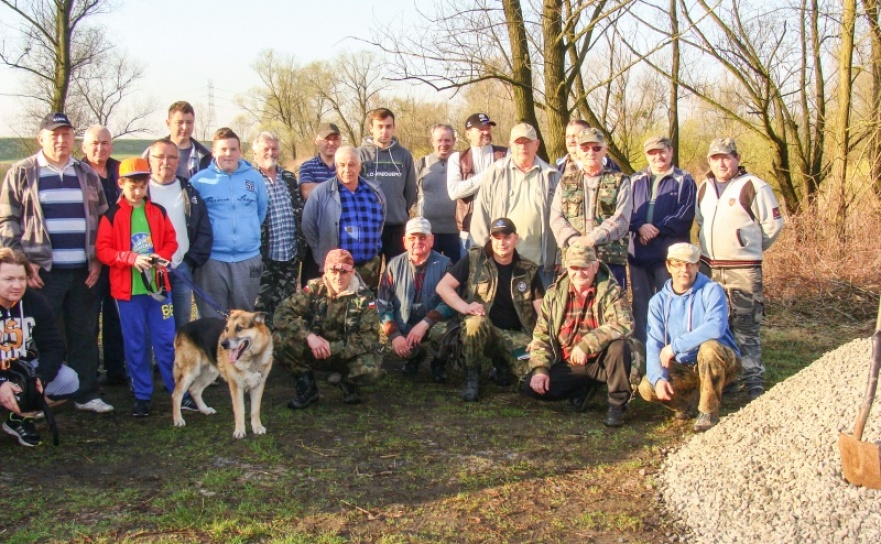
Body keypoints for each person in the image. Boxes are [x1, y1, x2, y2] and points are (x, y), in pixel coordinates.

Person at [0, 112, 113, 414]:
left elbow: (103, 220)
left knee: (85, 334)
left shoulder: (86, 173)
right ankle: (34, 395)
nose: (61, 140)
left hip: (84, 272)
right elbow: (7, 221)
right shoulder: (22, 172)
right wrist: (22, 266)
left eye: (66, 134)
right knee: (41, 337)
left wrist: (98, 260)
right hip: (42, 274)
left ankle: (86, 394)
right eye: (55, 135)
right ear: (41, 138)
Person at [696, 138, 785, 400]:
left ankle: (753, 380)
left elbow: (773, 224)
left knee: (746, 324)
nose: (721, 163)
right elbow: (700, 221)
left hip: (743, 269)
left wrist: (750, 246)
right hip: (710, 268)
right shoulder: (704, 188)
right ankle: (727, 379)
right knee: (718, 324)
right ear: (710, 161)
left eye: (726, 157)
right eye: (715, 158)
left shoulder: (753, 186)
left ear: (737, 158)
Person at [96, 158, 178, 417]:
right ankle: (142, 394)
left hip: (159, 290)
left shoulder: (158, 211)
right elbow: (103, 250)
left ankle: (178, 391)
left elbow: (171, 241)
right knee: (136, 344)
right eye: (133, 186)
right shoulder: (112, 215)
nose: (138, 191)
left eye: (142, 186)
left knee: (166, 341)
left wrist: (161, 256)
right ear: (121, 183)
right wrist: (130, 258)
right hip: (128, 293)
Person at [522, 242, 634, 427]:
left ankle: (617, 405)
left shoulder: (612, 291)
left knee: (619, 347)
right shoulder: (553, 294)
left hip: (602, 361)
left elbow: (623, 324)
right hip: (570, 362)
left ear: (595, 266)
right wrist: (540, 369)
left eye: (584, 267)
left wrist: (587, 345)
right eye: (574, 268)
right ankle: (582, 388)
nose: (579, 273)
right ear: (567, 267)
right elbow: (542, 334)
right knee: (531, 386)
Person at [436, 218, 545, 402]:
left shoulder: (528, 269)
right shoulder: (475, 259)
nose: (502, 242)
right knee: (475, 323)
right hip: (483, 328)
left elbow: (542, 309)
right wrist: (466, 307)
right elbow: (443, 287)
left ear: (516, 238)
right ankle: (472, 375)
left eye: (507, 237)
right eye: (497, 237)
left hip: (514, 334)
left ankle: (502, 365)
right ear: (491, 238)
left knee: (533, 376)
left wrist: (540, 339)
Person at [637, 243, 742, 432]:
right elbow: (654, 343)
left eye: (689, 264)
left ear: (697, 266)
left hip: (720, 360)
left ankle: (708, 411)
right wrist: (658, 378)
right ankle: (686, 404)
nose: (684, 270)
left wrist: (675, 346)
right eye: (678, 264)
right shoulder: (658, 302)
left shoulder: (712, 290)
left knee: (709, 348)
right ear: (668, 266)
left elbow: (716, 327)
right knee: (647, 387)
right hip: (684, 366)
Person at [273, 249, 383, 408]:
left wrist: (332, 348)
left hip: (345, 355)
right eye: (334, 271)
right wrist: (308, 336)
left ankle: (349, 382)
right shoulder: (314, 289)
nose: (338, 277)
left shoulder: (365, 298)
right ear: (325, 270)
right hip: (315, 349)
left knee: (371, 370)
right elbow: (281, 313)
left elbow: (368, 340)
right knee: (279, 340)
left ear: (352, 272)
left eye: (344, 272)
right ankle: (307, 385)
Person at [0, 248, 80, 447]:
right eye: (9, 279)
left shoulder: (34, 302)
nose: (17, 285)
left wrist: (41, 377)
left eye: (22, 278)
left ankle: (20, 418)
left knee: (68, 380)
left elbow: (53, 345)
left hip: (19, 370)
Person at [190, 128, 268, 318]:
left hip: (247, 259)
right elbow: (193, 219)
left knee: (243, 319)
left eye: (233, 149)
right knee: (212, 319)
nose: (228, 154)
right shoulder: (199, 181)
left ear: (240, 151)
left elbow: (261, 211)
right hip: (212, 261)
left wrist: (247, 234)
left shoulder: (254, 178)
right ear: (213, 152)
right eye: (223, 149)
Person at [469, 123, 559, 287]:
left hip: (540, 264)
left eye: (527, 142)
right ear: (510, 145)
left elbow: (561, 219)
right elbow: (480, 218)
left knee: (542, 305)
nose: (523, 147)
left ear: (536, 144)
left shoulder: (552, 176)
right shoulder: (495, 172)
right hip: (502, 263)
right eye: (518, 142)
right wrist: (482, 257)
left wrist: (559, 257)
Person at [628, 136, 696, 350]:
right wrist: (640, 226)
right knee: (641, 305)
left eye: (662, 151)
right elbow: (624, 210)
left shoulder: (684, 179)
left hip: (669, 256)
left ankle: (673, 352)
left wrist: (655, 228)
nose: (657, 157)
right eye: (652, 153)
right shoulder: (634, 180)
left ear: (671, 152)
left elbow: (685, 214)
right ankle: (643, 353)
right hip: (638, 254)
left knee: (671, 303)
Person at [550, 127, 632, 289]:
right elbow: (555, 217)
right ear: (577, 151)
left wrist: (592, 239)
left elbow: (622, 220)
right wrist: (575, 241)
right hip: (575, 261)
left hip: (609, 261)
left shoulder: (620, 181)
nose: (590, 152)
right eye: (585, 148)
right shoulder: (565, 182)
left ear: (605, 150)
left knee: (613, 305)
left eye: (596, 148)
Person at [377, 217, 456, 382]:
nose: (417, 242)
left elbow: (451, 303)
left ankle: (439, 363)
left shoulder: (446, 265)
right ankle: (415, 356)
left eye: (423, 237)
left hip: (433, 324)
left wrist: (426, 322)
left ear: (432, 240)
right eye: (412, 238)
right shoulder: (393, 266)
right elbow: (383, 305)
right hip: (404, 324)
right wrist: (395, 335)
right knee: (395, 343)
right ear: (404, 241)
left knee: (445, 332)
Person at [147, 138, 213, 329]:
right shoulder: (140, 192)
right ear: (150, 159)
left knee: (182, 325)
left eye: (171, 157)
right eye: (160, 157)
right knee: (153, 324)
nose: (165, 162)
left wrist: (190, 261)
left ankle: (178, 352)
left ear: (178, 161)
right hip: (149, 271)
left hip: (181, 268)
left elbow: (203, 229)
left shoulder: (189, 191)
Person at [302, 146, 386, 289]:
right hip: (338, 272)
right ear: (336, 167)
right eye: (342, 165)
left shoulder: (375, 192)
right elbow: (308, 226)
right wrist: (320, 253)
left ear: (360, 166)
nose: (347, 170)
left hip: (369, 267)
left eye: (351, 164)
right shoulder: (321, 193)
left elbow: (380, 223)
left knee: (368, 303)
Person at [81, 124, 126, 385]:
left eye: (105, 143)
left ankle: (116, 369)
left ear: (112, 145)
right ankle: (88, 372)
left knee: (116, 315)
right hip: (89, 259)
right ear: (84, 146)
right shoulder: (77, 172)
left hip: (120, 257)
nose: (100, 148)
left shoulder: (121, 171)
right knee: (87, 319)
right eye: (95, 143)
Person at [251, 132, 304, 325]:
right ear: (255, 152)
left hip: (289, 255)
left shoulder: (288, 177)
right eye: (265, 148)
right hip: (263, 256)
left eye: (274, 148)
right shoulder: (250, 179)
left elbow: (299, 210)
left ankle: (283, 341)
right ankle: (262, 342)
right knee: (261, 307)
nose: (270, 152)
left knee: (286, 306)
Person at [357, 108, 416, 262]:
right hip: (369, 226)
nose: (384, 131)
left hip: (397, 226)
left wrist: (399, 209)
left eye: (388, 126)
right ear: (371, 128)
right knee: (368, 273)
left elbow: (410, 190)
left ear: (393, 127)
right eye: (380, 126)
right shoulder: (359, 154)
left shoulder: (404, 155)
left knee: (397, 272)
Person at [446, 113, 508, 253]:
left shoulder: (505, 155)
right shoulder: (457, 158)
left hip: (500, 231)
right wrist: (489, 174)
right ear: (468, 134)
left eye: (488, 128)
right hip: (468, 232)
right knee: (471, 267)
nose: (486, 132)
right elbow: (454, 191)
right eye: (481, 129)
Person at [297, 122, 341, 285]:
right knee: (313, 286)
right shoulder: (308, 167)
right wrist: (339, 185)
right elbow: (307, 191)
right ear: (317, 141)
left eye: (335, 138)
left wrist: (321, 189)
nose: (331, 143)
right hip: (315, 237)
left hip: (341, 236)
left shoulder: (345, 165)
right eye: (326, 139)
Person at [414, 123, 461, 262]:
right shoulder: (422, 163)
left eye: (447, 140)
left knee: (454, 271)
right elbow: (410, 192)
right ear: (432, 141)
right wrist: (418, 210)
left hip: (456, 232)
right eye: (439, 140)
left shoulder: (463, 163)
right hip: (428, 231)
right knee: (429, 270)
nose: (443, 144)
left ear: (454, 141)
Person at [144, 101, 212, 180]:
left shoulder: (205, 156)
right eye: (179, 122)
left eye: (189, 122)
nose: (185, 127)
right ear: (168, 123)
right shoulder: (151, 153)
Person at [556, 119, 621, 173]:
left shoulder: (611, 166)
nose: (571, 140)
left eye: (576, 136)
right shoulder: (557, 169)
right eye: (568, 136)